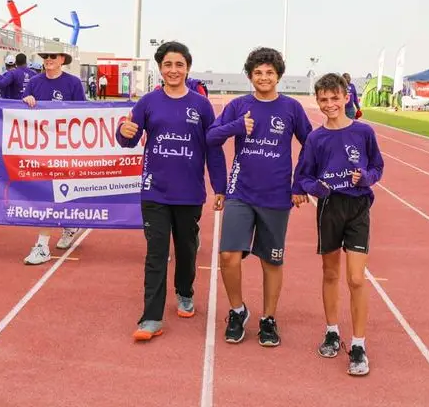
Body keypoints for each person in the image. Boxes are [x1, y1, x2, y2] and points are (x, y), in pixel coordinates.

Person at [116, 41, 227, 341]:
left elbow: (213, 148)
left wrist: (220, 186)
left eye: (179, 64)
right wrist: (123, 133)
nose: (173, 70)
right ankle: (151, 317)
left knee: (187, 249)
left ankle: (185, 291)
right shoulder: (148, 103)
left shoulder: (201, 105)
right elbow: (129, 137)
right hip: (155, 191)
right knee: (156, 253)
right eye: (167, 65)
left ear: (187, 67)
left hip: (189, 192)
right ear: (160, 68)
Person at [206, 47, 312, 346]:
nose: (263, 77)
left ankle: (268, 319)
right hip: (240, 192)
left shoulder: (291, 108)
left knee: (271, 261)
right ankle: (238, 311)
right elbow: (211, 137)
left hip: (277, 196)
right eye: (258, 73)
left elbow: (311, 144)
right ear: (250, 76)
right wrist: (237, 126)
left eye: (269, 72)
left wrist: (300, 183)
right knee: (229, 255)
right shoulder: (239, 105)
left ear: (278, 75)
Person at [293, 73, 384, 376]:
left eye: (335, 98)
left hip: (357, 207)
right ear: (317, 102)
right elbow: (302, 176)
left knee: (356, 278)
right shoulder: (316, 138)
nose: (330, 104)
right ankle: (332, 331)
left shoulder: (364, 132)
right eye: (324, 99)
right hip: (329, 208)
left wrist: (367, 178)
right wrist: (315, 189)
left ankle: (358, 344)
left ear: (346, 98)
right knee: (330, 273)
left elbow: (377, 166)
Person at [21, 50, 87, 264]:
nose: (48, 59)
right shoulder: (34, 82)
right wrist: (26, 100)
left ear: (62, 60)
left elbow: (84, 113)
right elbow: (18, 110)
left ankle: (67, 226)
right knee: (45, 193)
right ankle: (42, 245)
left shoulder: (73, 83)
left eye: (53, 56)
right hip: (40, 148)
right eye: (45, 56)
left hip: (65, 147)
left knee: (62, 191)